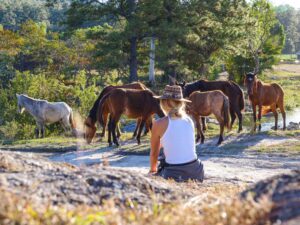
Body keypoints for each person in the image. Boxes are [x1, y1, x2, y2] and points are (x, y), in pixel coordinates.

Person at [149, 85, 204, 182]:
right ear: (181, 103)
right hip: (196, 170)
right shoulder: (189, 120)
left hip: (174, 173)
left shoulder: (159, 124)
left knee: (161, 154)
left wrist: (152, 170)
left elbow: (154, 153)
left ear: (164, 103)